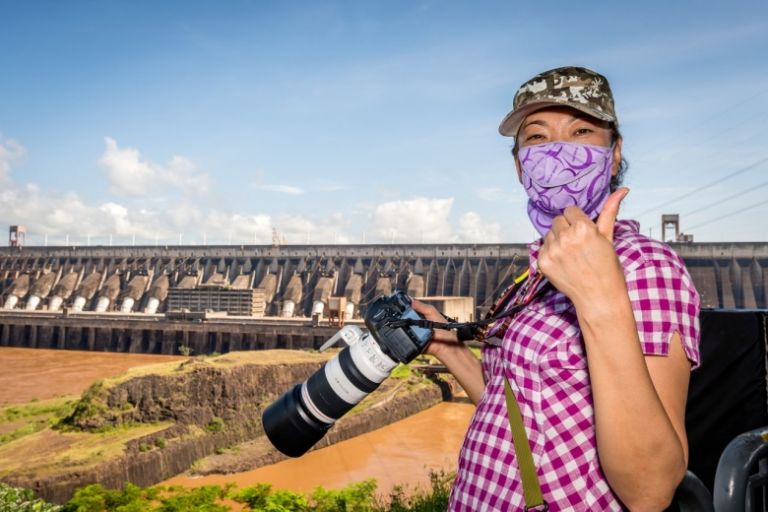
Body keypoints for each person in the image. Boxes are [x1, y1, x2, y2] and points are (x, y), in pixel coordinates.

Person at [412, 66, 701, 511]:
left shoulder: (644, 267)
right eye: (537, 138)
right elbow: (515, 411)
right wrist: (447, 349)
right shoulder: (534, 277)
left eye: (581, 130)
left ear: (615, 151)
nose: (557, 152)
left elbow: (651, 491)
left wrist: (600, 298)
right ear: (518, 165)